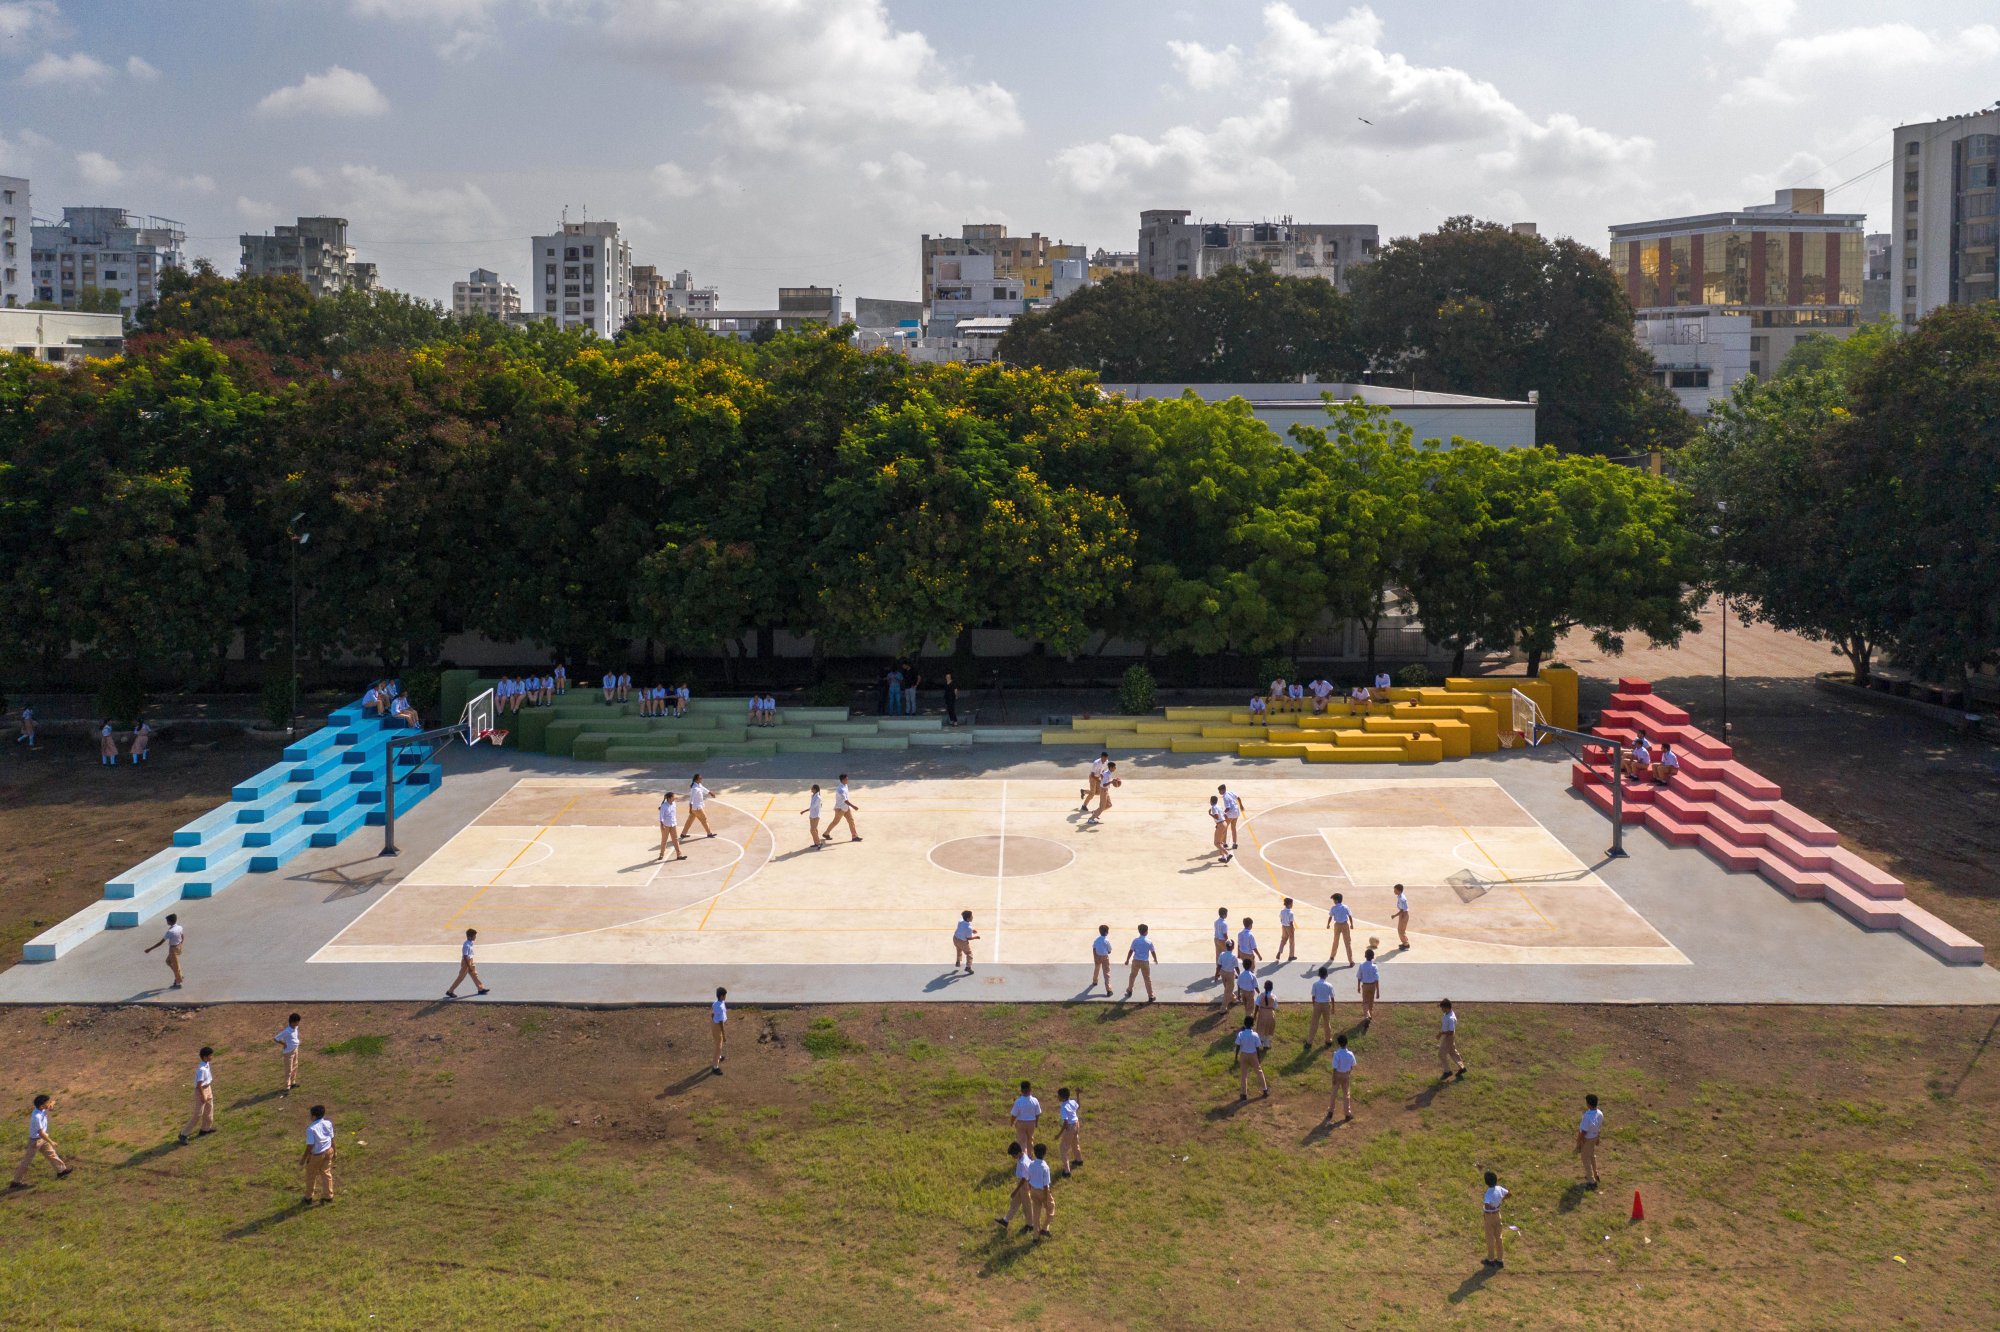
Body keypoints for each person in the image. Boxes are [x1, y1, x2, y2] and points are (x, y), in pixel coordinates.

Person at [9, 1094, 70, 1189]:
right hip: (35, 1141)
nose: (49, 1103)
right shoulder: (36, 1117)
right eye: (47, 1103)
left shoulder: (42, 1108)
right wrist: (51, 1142)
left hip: (43, 1139)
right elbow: (41, 1133)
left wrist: (51, 1105)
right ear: (42, 1106)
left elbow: (53, 1102)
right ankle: (16, 1182)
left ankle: (61, 1171)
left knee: (52, 1155)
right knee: (27, 1161)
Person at [179, 1046, 216, 1145]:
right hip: (201, 1090)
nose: (212, 1057)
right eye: (210, 1055)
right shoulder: (201, 1069)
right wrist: (203, 1096)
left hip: (208, 1088)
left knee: (209, 1109)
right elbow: (199, 1084)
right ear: (205, 1057)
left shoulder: (207, 1064)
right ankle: (183, 1134)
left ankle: (205, 1129)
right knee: (198, 1113)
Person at [301, 1104, 335, 1205]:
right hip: (329, 1151)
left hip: (317, 1155)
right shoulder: (328, 1123)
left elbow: (310, 1145)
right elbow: (332, 1138)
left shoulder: (311, 1129)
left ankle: (308, 1197)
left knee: (311, 1175)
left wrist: (304, 1158)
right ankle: (328, 1196)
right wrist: (335, 1150)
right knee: (326, 1173)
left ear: (314, 1116)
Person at [996, 1141, 1032, 1231]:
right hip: (1021, 1184)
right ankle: (1006, 1220)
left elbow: (1024, 1178)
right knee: (1014, 1203)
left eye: (1013, 1155)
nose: (1013, 1157)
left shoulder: (1024, 1162)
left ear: (1019, 1153)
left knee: (1026, 1206)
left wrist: (1015, 1190)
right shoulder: (1022, 1156)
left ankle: (1030, 1225)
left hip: (1024, 1185)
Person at [445, 927, 489, 998]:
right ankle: (450, 991)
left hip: (470, 960)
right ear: (470, 937)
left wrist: (471, 963)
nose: (475, 937)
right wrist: (469, 966)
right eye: (474, 936)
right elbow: (465, 956)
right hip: (466, 963)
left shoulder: (471, 943)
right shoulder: (466, 945)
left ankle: (480, 988)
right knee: (461, 977)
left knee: (474, 974)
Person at [145, 913, 186, 989]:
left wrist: (149, 949)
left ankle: (178, 983)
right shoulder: (179, 927)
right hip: (178, 946)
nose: (166, 922)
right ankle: (180, 975)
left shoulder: (170, 932)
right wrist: (181, 945)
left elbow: (160, 943)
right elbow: (182, 936)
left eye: (167, 921)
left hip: (173, 949)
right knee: (168, 962)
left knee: (175, 966)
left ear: (170, 922)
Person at [1233, 1015, 1269, 1101]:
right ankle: (1265, 1090)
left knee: (1244, 1075)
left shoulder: (1240, 1034)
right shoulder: (1255, 1035)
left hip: (1244, 1055)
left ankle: (1243, 1094)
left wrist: (1236, 1056)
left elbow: (1238, 1046)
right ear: (1253, 1024)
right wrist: (1259, 1058)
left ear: (1244, 1024)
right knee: (1259, 1072)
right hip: (1253, 1055)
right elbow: (1257, 1048)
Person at [1025, 1143, 1055, 1238]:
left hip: (1033, 1190)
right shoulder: (1045, 1167)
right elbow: (1046, 1185)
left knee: (1036, 1213)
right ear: (1045, 1153)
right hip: (1043, 1191)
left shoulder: (1031, 1164)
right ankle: (1045, 1228)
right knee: (1051, 1208)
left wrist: (1030, 1190)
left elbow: (1028, 1179)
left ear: (1034, 1152)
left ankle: (1035, 1236)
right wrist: (1046, 1200)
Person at [1481, 1171, 1509, 1267]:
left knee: (1490, 1238)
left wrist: (1489, 1207)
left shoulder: (1488, 1194)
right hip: (1498, 1215)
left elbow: (1487, 1206)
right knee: (1499, 1237)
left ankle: (1491, 1259)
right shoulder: (1500, 1188)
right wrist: (1499, 1202)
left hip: (1489, 1216)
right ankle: (1500, 1260)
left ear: (1486, 1182)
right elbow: (1508, 1194)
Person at [1122, 924, 1157, 1002]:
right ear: (1146, 931)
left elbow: (1131, 951)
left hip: (1136, 961)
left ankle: (1129, 990)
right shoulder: (1149, 941)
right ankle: (1151, 996)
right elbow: (1152, 951)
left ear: (1139, 931)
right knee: (1147, 979)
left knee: (1132, 976)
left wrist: (1127, 960)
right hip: (1145, 962)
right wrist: (1155, 959)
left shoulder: (1135, 941)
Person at [1576, 1093, 1604, 1188]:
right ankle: (1595, 1174)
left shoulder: (1587, 1116)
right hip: (1594, 1137)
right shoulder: (1600, 1113)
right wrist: (1598, 1138)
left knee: (1585, 1159)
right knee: (1591, 1155)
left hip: (1587, 1139)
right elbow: (1599, 1126)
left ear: (1588, 1104)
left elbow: (1583, 1131)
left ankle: (1591, 1181)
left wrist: (1578, 1141)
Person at [1327, 1034, 1357, 1122]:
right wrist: (1348, 1073)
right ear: (1346, 1043)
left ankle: (1330, 1111)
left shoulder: (1336, 1054)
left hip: (1337, 1074)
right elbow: (1352, 1065)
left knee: (1334, 1093)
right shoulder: (1350, 1054)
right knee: (1346, 1094)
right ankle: (1347, 1114)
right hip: (1346, 1075)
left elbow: (1335, 1067)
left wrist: (1333, 1077)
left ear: (1339, 1044)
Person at [822, 775, 861, 843]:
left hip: (845, 807)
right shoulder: (841, 789)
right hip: (840, 809)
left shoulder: (845, 785)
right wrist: (854, 806)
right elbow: (845, 800)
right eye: (846, 779)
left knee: (851, 820)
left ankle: (854, 836)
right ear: (842, 780)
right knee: (835, 822)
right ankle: (826, 833)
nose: (848, 780)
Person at [1306, 966, 1336, 1049]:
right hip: (1326, 1004)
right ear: (1326, 975)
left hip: (1317, 1004)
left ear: (1318, 974)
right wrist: (1333, 1007)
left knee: (1314, 1023)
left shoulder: (1315, 984)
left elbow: (1313, 996)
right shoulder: (1329, 985)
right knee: (1327, 1023)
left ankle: (1309, 1042)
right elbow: (1332, 997)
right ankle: (1328, 1040)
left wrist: (1314, 1005)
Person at [1438, 998, 1466, 1080]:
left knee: (1441, 1054)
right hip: (1448, 1037)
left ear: (1447, 1008)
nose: (1441, 1009)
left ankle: (1447, 1072)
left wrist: (1441, 1033)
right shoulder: (1448, 1013)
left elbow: (1451, 1031)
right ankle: (1462, 1067)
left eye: (1442, 1008)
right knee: (1452, 1052)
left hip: (1448, 1037)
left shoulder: (1450, 1018)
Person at [1009, 1081, 1041, 1153]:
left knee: (1021, 1140)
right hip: (1031, 1122)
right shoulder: (1035, 1100)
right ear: (1030, 1090)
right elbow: (1038, 1113)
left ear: (1021, 1091)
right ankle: (1030, 1155)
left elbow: (1014, 1115)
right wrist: (1036, 1122)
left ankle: (1023, 1156)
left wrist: (1012, 1122)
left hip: (1021, 1122)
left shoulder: (1018, 1101)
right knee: (1030, 1139)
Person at [274, 1013, 302, 1094]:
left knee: (295, 1066)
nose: (297, 1024)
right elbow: (276, 1038)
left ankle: (293, 1083)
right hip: (288, 1053)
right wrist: (284, 1044)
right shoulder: (286, 1031)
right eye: (296, 1022)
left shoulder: (296, 1028)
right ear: (292, 1022)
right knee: (288, 1069)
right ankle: (287, 1087)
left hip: (295, 1050)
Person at [1056, 1089, 1082, 1176]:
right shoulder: (1072, 1102)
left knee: (1063, 1148)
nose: (1057, 1097)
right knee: (1075, 1143)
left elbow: (1065, 1122)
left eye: (1058, 1096)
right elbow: (1078, 1106)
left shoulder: (1063, 1107)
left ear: (1062, 1098)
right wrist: (1078, 1094)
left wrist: (1059, 1135)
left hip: (1070, 1127)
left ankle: (1066, 1171)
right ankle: (1079, 1160)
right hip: (1076, 1124)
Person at [655, 791, 686, 862]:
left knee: (675, 839)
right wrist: (662, 825)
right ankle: (661, 854)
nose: (674, 798)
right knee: (664, 840)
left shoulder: (674, 804)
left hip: (673, 824)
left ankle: (679, 854)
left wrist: (678, 798)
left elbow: (677, 801)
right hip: (665, 825)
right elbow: (661, 816)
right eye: (673, 797)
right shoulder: (663, 806)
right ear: (669, 798)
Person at [684, 774, 716, 840]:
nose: (701, 779)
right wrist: (690, 809)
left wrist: (710, 793)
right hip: (697, 808)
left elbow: (703, 789)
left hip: (695, 808)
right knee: (704, 819)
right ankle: (709, 833)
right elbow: (691, 799)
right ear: (696, 780)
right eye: (700, 778)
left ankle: (683, 834)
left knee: (689, 821)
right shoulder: (694, 789)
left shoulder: (698, 785)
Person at [1327, 893, 1355, 965]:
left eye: (1333, 899)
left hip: (1337, 925)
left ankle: (1332, 956)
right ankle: (1351, 960)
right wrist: (1351, 924)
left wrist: (1328, 924)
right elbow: (1349, 916)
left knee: (1335, 941)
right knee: (1347, 942)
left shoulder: (1333, 908)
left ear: (1336, 900)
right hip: (1345, 925)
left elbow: (1330, 916)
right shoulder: (1345, 907)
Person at [1357, 948, 1381, 1027]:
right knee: (1371, 1001)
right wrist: (1378, 991)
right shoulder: (1375, 967)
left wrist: (1358, 987)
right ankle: (1370, 1015)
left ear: (1365, 956)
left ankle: (1367, 1016)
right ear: (1373, 957)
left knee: (1365, 1002)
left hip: (1365, 985)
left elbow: (1359, 977)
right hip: (1373, 985)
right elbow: (1377, 979)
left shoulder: (1362, 965)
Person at [1213, 941, 1240, 1006]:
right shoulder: (1234, 956)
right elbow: (1236, 967)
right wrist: (1240, 975)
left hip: (1223, 973)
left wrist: (1216, 975)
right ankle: (1223, 1008)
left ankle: (1233, 999)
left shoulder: (1222, 954)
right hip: (1230, 974)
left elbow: (1219, 966)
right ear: (1233, 947)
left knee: (1227, 988)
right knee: (1228, 990)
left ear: (1226, 946)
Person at [1218, 784, 1244, 851]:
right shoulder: (1231, 792)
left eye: (1220, 791)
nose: (1219, 792)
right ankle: (1234, 843)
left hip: (1230, 814)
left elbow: (1228, 808)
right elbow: (1238, 798)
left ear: (1223, 790)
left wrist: (1223, 814)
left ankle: (1224, 843)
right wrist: (1241, 805)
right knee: (1233, 828)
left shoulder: (1225, 797)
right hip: (1236, 812)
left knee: (1224, 828)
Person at [1090, 924, 1113, 996]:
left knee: (1097, 968)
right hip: (1105, 957)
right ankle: (1108, 990)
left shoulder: (1096, 940)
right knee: (1106, 973)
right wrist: (1107, 951)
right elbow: (1109, 950)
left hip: (1097, 956)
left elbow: (1094, 948)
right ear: (1106, 932)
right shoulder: (1106, 941)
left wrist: (1095, 957)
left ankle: (1095, 981)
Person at [1253, 979, 1278, 1045]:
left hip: (1262, 1014)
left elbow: (1257, 1006)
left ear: (1264, 987)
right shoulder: (1274, 997)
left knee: (1261, 1027)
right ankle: (1267, 1044)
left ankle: (1260, 1042)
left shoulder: (1260, 996)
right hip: (1270, 1014)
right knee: (1269, 1028)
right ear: (1272, 988)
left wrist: (1255, 1015)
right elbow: (1275, 1007)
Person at [710, 986, 728, 1075]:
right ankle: (715, 1066)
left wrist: (713, 1021)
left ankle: (719, 1057)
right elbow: (721, 1022)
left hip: (714, 1024)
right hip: (718, 1026)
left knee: (717, 1042)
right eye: (725, 995)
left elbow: (712, 1014)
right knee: (719, 1046)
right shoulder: (720, 1006)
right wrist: (724, 1035)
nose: (725, 997)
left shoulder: (716, 1003)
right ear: (721, 996)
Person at [801, 783, 823, 849]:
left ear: (815, 789)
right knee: (815, 829)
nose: (811, 789)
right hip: (812, 815)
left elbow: (812, 807)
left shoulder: (818, 798)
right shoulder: (813, 796)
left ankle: (819, 843)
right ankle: (816, 843)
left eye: (812, 788)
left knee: (812, 830)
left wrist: (804, 811)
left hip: (816, 816)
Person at [1208, 796, 1229, 863]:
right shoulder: (1219, 806)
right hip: (1224, 823)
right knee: (1220, 842)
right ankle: (1223, 857)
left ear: (1211, 801)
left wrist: (1210, 814)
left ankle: (1228, 854)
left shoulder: (1213, 807)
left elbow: (1216, 817)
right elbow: (1225, 815)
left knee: (1216, 843)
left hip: (1220, 825)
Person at [1211, 907, 1232, 973]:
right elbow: (1225, 934)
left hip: (1216, 939)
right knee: (1227, 955)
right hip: (1222, 941)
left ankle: (1218, 970)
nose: (1227, 915)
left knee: (1218, 955)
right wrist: (1228, 941)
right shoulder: (1224, 924)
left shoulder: (1216, 922)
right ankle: (1227, 970)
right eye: (1226, 914)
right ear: (1223, 914)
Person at [1277, 898, 1297, 963]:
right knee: (1291, 942)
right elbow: (1291, 923)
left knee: (1283, 939)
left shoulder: (1282, 911)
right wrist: (1292, 929)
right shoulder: (1291, 913)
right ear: (1289, 904)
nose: (1292, 905)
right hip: (1289, 927)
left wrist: (1283, 923)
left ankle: (1279, 952)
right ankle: (1291, 956)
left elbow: (1281, 919)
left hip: (1283, 926)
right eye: (1292, 904)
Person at [1393, 883, 1411, 950]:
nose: (1394, 891)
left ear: (1399, 891)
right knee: (1401, 930)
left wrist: (1394, 915)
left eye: (1395, 890)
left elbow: (1402, 910)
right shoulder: (1400, 896)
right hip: (1402, 914)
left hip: (1404, 915)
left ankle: (1406, 945)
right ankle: (1404, 942)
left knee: (1401, 931)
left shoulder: (1401, 899)